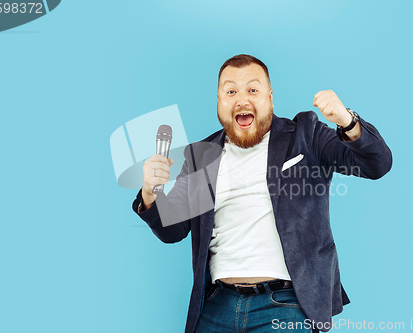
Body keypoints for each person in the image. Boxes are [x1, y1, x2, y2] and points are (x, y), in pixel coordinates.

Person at [132, 54, 392, 333]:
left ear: (270, 97)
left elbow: (376, 164)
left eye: (253, 90)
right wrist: (150, 194)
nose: (242, 99)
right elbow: (173, 231)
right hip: (217, 307)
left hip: (286, 305)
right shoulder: (201, 156)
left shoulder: (306, 135)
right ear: (219, 100)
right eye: (231, 91)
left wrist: (347, 121)